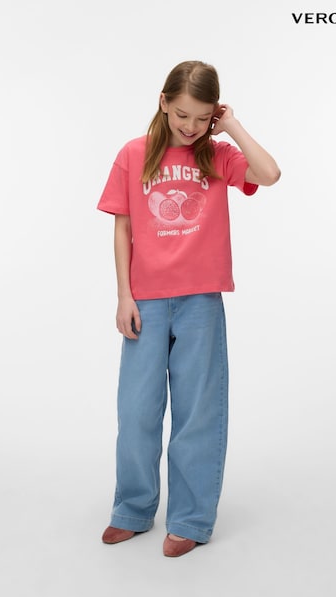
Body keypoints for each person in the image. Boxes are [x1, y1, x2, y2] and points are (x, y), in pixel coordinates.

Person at [97, 60, 280, 557]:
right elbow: (122, 226)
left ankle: (191, 519)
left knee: (198, 411)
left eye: (202, 117)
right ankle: (133, 509)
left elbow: (269, 174)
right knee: (137, 409)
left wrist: (231, 125)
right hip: (146, 300)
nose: (191, 126)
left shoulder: (217, 154)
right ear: (163, 102)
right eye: (182, 115)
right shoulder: (133, 154)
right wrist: (124, 295)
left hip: (200, 299)